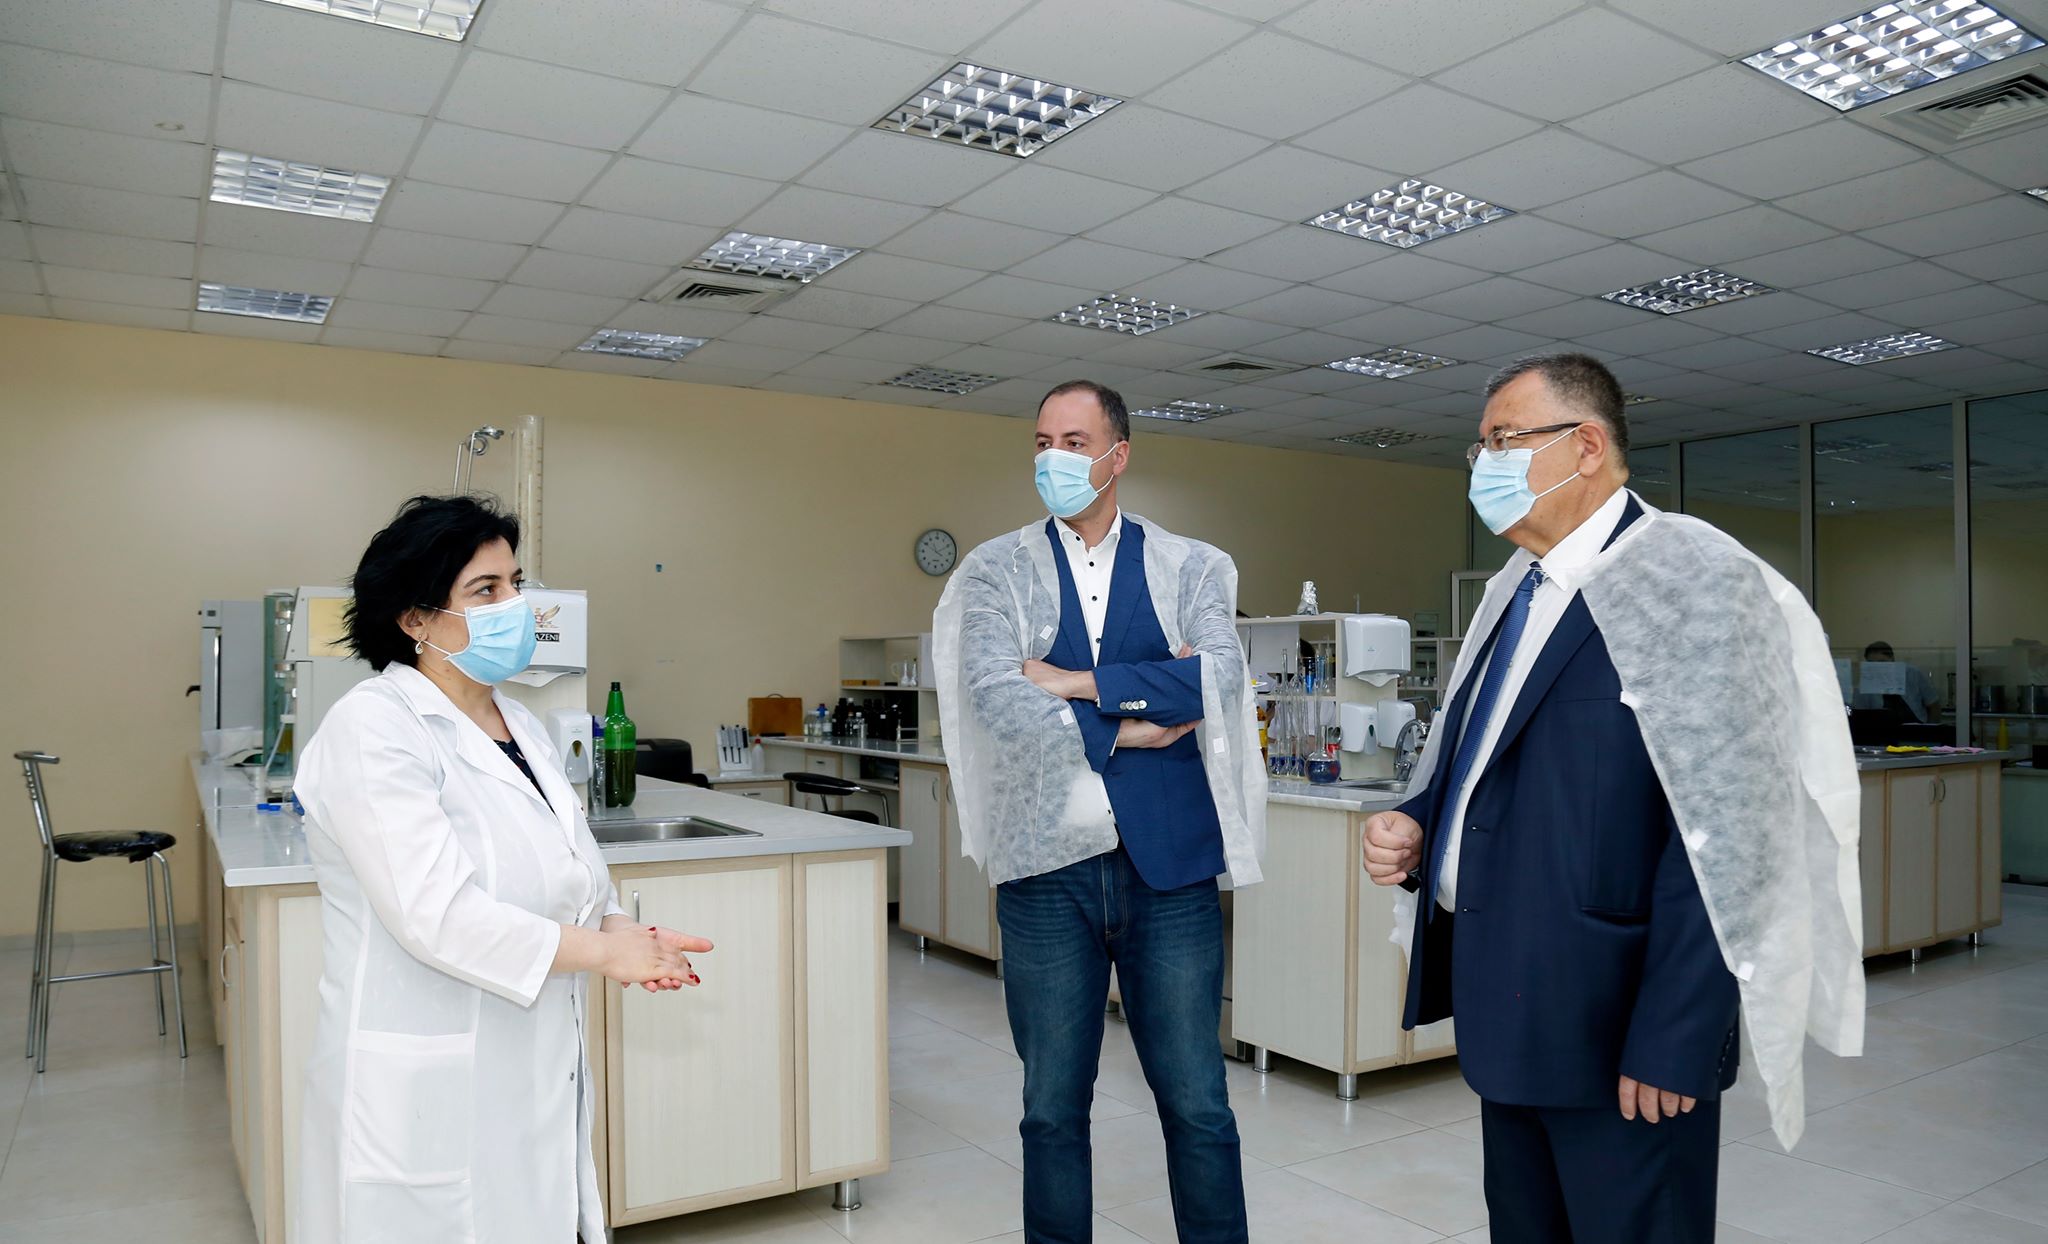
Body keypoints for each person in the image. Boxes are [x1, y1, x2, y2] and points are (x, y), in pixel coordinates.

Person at [1362, 354, 1864, 1243]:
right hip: (1510, 1012)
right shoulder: (1516, 592)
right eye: (1480, 447)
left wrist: (1676, 1037)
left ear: (1587, 446)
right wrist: (1421, 823)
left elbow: (1734, 832)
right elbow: (1488, 762)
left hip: (1621, 1033)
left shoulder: (1692, 584)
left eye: (1504, 441)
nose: (1485, 466)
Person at [294, 495, 713, 1243]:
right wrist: (605, 954)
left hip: (530, 1062)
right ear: (415, 620)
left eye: (515, 583)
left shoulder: (518, 722)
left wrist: (621, 928)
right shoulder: (373, 727)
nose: (514, 606)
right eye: (485, 590)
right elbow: (437, 916)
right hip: (424, 1078)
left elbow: (573, 873)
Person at [933, 380, 1267, 1244]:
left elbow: (1216, 678)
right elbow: (994, 696)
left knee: (1198, 1101)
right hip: (1046, 871)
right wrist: (1129, 724)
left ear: (1118, 456)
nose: (1054, 458)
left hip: (1170, 872)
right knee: (1051, 1107)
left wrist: (1074, 683)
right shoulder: (995, 571)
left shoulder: (1191, 566)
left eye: (1075, 443)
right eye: (1043, 441)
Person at [1855, 640, 1942, 724]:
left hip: (1917, 729)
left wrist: (1930, 730)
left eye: (1882, 662)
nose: (1878, 668)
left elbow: (1934, 705)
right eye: (1872, 664)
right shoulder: (1864, 686)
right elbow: (1861, 717)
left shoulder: (1912, 674)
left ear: (1892, 659)